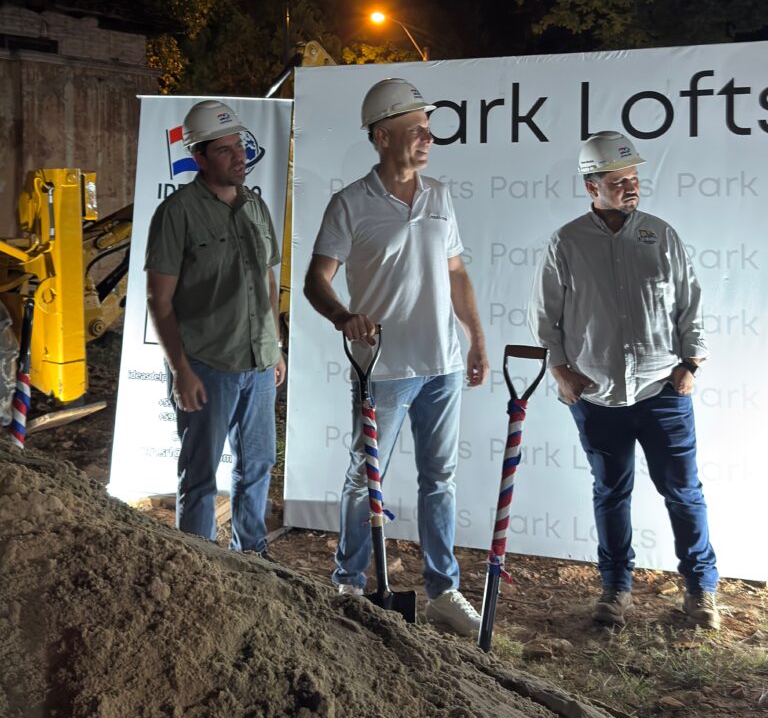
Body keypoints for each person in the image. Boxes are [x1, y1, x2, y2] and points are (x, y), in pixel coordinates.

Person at [304, 77, 490, 635]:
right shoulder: (350, 203)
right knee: (365, 477)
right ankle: (348, 581)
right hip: (382, 368)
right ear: (382, 136)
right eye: (416, 130)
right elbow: (316, 280)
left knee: (440, 479)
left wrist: (476, 340)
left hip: (443, 365)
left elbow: (456, 274)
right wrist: (343, 316)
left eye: (429, 130)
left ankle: (443, 591)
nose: (428, 138)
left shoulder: (440, 196)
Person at [529, 130, 719, 629]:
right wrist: (560, 371)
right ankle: (616, 590)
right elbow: (545, 316)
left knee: (684, 492)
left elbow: (691, 304)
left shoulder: (661, 235)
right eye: (618, 181)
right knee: (611, 492)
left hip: (662, 391)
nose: (631, 187)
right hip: (597, 395)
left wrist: (691, 363)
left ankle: (701, 589)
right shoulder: (567, 242)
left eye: (633, 178)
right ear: (592, 187)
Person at [145, 99, 286, 556]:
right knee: (201, 475)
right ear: (200, 157)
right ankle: (199, 565)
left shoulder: (256, 207)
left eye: (239, 146)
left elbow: (267, 280)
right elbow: (159, 300)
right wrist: (181, 370)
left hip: (259, 364)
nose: (238, 156)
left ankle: (253, 558)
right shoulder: (177, 212)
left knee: (258, 466)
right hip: (207, 365)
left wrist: (275, 346)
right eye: (224, 150)